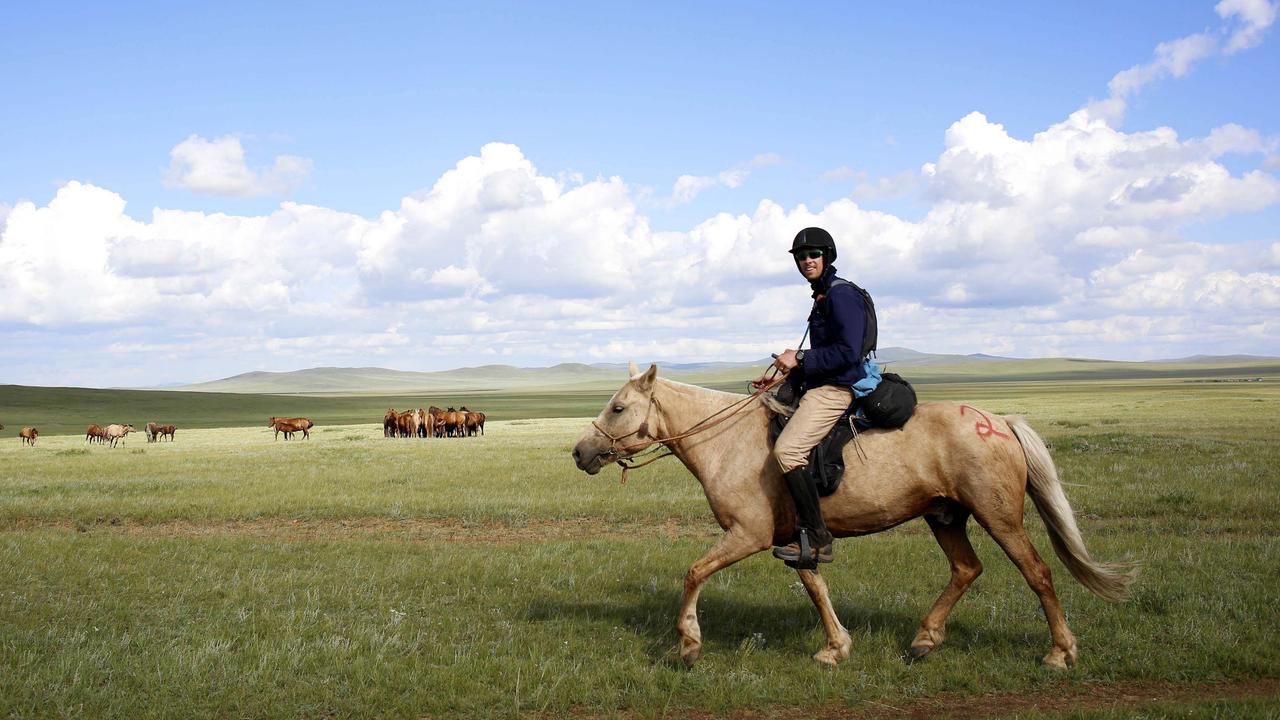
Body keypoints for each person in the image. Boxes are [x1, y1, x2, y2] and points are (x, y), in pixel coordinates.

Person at [751, 227, 878, 568]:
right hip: (822, 383)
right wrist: (785, 374)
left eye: (813, 255)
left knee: (788, 451)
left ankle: (818, 536)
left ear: (827, 256)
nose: (807, 261)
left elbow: (849, 353)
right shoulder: (823, 296)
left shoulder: (841, 296)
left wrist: (802, 358)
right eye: (801, 257)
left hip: (838, 389)